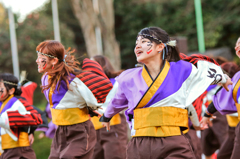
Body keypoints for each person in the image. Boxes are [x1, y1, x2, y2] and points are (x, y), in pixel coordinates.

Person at [99, 26, 232, 159]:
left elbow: (205, 72)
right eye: (136, 43)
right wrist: (106, 116)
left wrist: (224, 79)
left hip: (173, 141)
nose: (137, 46)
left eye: (143, 41)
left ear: (160, 46)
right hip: (140, 143)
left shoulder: (181, 69)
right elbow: (117, 101)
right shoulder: (128, 77)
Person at [35, 40, 113, 159]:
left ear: (54, 61)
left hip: (80, 131)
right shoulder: (45, 78)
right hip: (60, 131)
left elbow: (95, 100)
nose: (37, 61)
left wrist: (103, 114)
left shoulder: (74, 81)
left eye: (41, 57)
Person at [201, 37, 240, 159]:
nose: (237, 47)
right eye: (237, 44)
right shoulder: (238, 78)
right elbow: (222, 95)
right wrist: (207, 113)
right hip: (234, 129)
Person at [91, 55, 128, 159]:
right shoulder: (86, 86)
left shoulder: (117, 82)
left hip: (113, 125)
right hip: (93, 128)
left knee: (115, 155)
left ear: (102, 66)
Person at [0, 73, 43, 159]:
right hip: (5, 150)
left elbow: (36, 118)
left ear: (11, 90)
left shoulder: (18, 101)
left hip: (19, 150)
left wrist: (9, 118)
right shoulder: (1, 104)